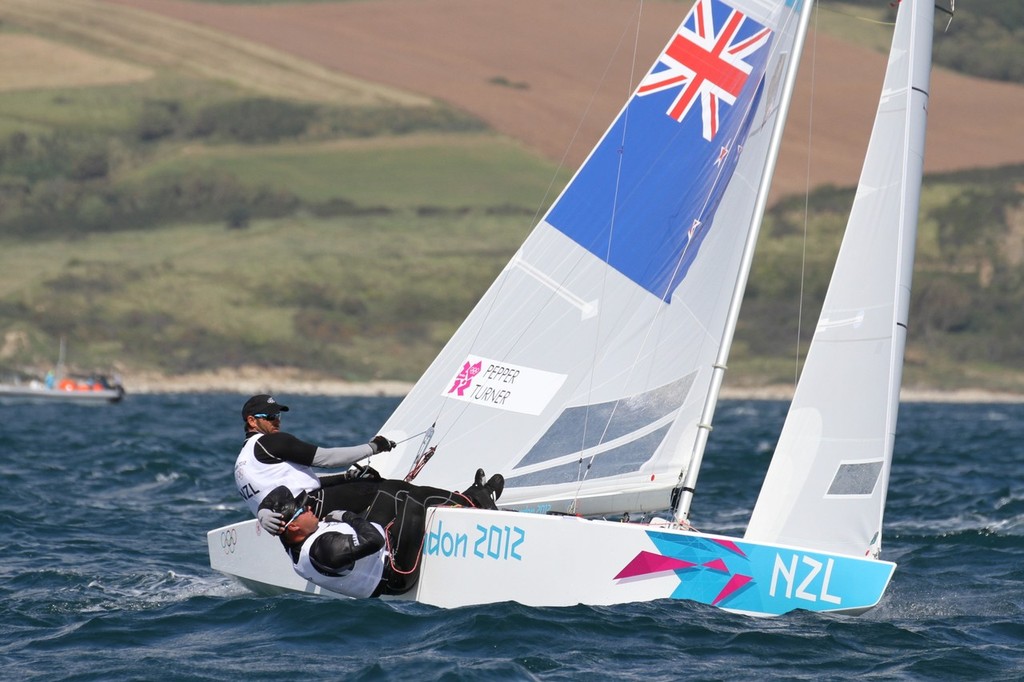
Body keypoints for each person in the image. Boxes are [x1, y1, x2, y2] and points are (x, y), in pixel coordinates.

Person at [260, 469, 504, 597]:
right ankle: (479, 500)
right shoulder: (326, 550)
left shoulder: (293, 537)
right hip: (396, 572)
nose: (309, 507)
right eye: (302, 509)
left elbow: (276, 523)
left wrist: (264, 513)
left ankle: (466, 496)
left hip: (380, 549)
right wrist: (347, 516)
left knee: (389, 488)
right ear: (292, 527)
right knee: (416, 500)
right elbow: (374, 541)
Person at [234, 393, 398, 534]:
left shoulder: (242, 461)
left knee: (361, 482)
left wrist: (346, 477)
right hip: (309, 509)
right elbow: (328, 459)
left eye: (278, 416)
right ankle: (388, 539)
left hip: (287, 525)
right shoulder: (269, 442)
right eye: (270, 417)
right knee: (387, 489)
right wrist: (374, 447)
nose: (277, 421)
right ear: (252, 421)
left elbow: (300, 482)